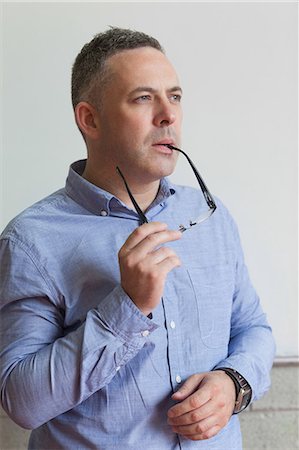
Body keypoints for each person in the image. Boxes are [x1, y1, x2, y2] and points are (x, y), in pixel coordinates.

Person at [0, 27, 275, 450]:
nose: (168, 115)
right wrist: (128, 307)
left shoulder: (211, 217)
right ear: (89, 119)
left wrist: (233, 383)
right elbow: (21, 402)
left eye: (176, 96)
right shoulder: (30, 241)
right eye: (144, 98)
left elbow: (253, 328)